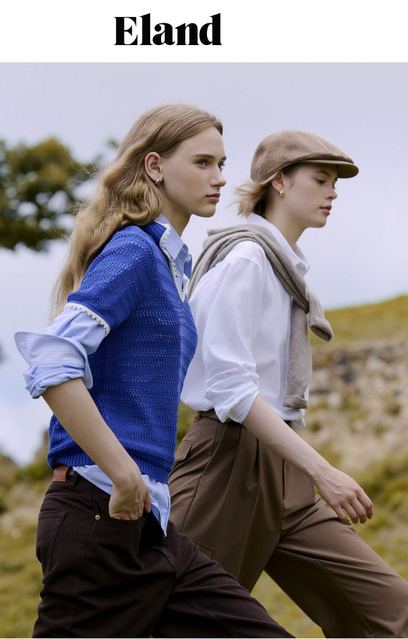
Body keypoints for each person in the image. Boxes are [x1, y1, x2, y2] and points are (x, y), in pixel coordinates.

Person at [14, 104, 293, 638]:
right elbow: (51, 359)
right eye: (203, 162)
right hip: (99, 516)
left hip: (151, 527)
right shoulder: (135, 250)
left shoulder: (168, 265)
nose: (219, 177)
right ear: (155, 166)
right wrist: (122, 473)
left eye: (222, 163)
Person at [169, 129, 408, 638]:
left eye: (335, 183)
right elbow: (232, 389)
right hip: (227, 463)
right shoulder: (245, 261)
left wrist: (304, 469)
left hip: (283, 469)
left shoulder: (282, 267)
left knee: (391, 613)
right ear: (279, 182)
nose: (332, 192)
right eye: (320, 179)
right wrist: (325, 472)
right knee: (175, 622)